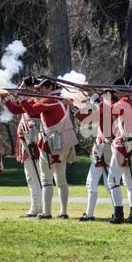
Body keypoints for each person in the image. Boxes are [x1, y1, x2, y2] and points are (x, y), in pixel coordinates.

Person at [90, 78, 132, 224]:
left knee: (113, 180)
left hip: (122, 144)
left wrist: (96, 100)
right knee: (130, 182)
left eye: (119, 89)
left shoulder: (123, 103)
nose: (116, 92)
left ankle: (118, 214)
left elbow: (106, 111)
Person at [21, 79, 79, 219]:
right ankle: (63, 212)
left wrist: (23, 97)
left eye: (43, 88)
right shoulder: (63, 97)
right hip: (64, 144)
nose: (41, 91)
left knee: (46, 180)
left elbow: (32, 110)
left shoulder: (50, 99)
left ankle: (47, 213)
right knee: (61, 180)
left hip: (50, 145)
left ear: (50, 87)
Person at [3, 76, 42, 218]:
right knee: (31, 178)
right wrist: (6, 99)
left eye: (26, 87)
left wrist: (20, 98)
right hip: (27, 144)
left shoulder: (36, 100)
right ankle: (35, 207)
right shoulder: (29, 100)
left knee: (36, 177)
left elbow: (28, 109)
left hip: (34, 144)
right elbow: (15, 110)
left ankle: (38, 208)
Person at [73, 92, 116, 221]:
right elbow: (86, 119)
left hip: (105, 149)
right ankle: (92, 213)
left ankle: (112, 213)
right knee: (96, 183)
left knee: (103, 183)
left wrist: (94, 102)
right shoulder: (105, 110)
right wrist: (74, 105)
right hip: (101, 149)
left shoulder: (108, 110)